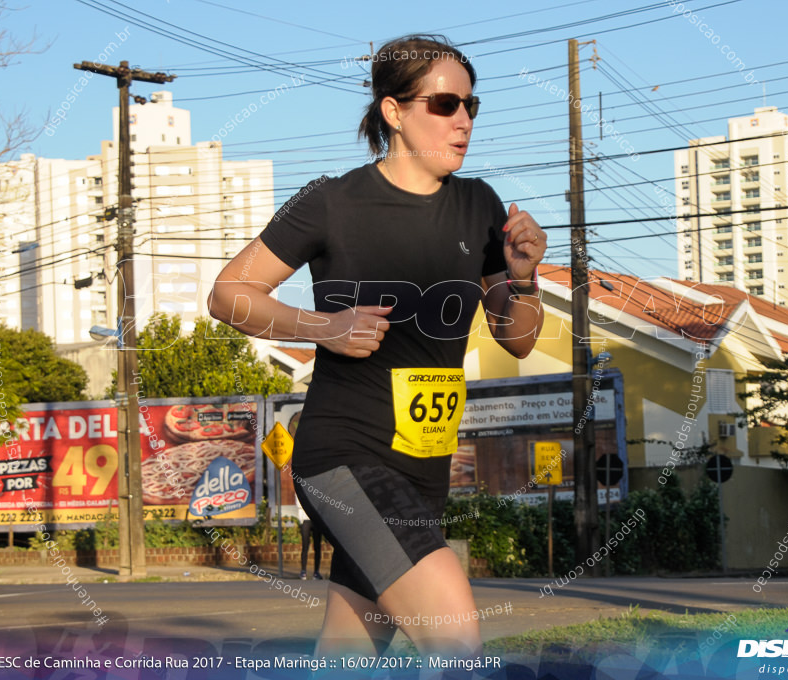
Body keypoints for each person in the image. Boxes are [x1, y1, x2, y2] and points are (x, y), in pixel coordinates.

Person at [209, 34, 546, 661]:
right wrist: (321, 327)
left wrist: (525, 276)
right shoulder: (332, 202)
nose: (464, 121)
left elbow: (517, 338)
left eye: (472, 106)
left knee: (350, 654)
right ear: (394, 111)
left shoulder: (479, 206)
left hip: (423, 465)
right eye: (445, 105)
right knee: (455, 637)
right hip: (341, 455)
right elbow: (228, 293)